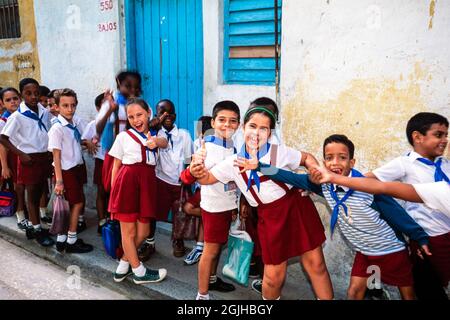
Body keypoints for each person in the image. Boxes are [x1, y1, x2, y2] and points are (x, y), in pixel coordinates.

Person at [243, 134, 431, 299]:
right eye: (329, 158)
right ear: (324, 162)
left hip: (390, 250)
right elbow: (287, 176)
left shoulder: (367, 187)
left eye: (342, 158)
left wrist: (419, 237)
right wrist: (259, 165)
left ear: (352, 162)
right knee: (354, 292)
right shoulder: (324, 185)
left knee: (407, 293)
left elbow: (397, 215)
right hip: (364, 252)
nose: (335, 163)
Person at [190, 106, 333, 300]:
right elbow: (207, 179)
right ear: (243, 127)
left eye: (264, 128)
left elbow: (306, 157)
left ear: (270, 132)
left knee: (316, 265)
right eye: (252, 126)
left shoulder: (277, 152)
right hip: (270, 218)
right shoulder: (233, 162)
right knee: (273, 277)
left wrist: (315, 173)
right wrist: (196, 171)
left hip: (296, 209)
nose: (256, 133)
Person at [366, 112, 449, 299]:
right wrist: (327, 185)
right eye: (439, 135)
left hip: (448, 232)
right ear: (417, 137)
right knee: (430, 285)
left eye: (446, 135)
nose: (445, 140)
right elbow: (368, 180)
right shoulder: (404, 164)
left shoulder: (445, 164)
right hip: (428, 237)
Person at [108, 98, 168, 284]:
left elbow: (164, 142)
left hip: (147, 184)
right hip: (127, 184)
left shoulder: (153, 136)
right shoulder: (123, 137)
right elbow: (116, 166)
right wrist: (114, 193)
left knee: (144, 230)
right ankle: (139, 272)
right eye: (131, 117)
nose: (136, 120)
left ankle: (124, 265)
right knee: (129, 232)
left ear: (148, 113)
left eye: (139, 115)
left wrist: (155, 142)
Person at [191, 101, 241, 300]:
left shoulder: (232, 146)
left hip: (227, 204)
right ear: (213, 122)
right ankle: (202, 295)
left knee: (217, 247)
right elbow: (198, 174)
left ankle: (211, 279)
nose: (227, 125)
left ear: (238, 124)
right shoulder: (207, 147)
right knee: (210, 251)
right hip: (214, 207)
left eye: (232, 121)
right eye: (221, 120)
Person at [0, 78, 54, 246]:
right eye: (28, 93)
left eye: (36, 93)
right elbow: (3, 137)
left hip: (43, 157)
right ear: (22, 94)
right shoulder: (17, 116)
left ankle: (32, 225)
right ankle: (37, 230)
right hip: (29, 158)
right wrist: (21, 154)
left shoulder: (44, 111)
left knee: (41, 192)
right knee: (32, 194)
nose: (33, 97)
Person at [138, 99, 193, 260]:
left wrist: (188, 180)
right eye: (162, 112)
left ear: (175, 115)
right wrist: (155, 124)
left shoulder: (184, 134)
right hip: (160, 180)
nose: (166, 115)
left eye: (170, 112)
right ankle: (150, 242)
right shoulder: (153, 134)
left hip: (179, 182)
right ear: (155, 116)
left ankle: (178, 240)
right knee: (153, 214)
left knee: (179, 214)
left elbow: (189, 159)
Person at [48, 88, 95, 253]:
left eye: (73, 105)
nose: (70, 109)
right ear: (56, 107)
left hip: (77, 167)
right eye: (65, 105)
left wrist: (86, 143)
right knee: (77, 203)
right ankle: (71, 241)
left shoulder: (73, 123)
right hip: (66, 171)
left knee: (71, 203)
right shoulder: (57, 128)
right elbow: (56, 156)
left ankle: (62, 240)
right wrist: (59, 181)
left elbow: (73, 141)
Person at [0, 87, 28, 231]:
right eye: (8, 100)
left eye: (15, 98)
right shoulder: (3, 120)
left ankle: (27, 211)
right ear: (2, 103)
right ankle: (20, 215)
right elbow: (3, 146)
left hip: (26, 155)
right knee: (19, 186)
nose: (13, 102)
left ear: (20, 99)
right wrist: (5, 166)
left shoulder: (24, 115)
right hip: (13, 157)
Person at [81, 93, 107, 234]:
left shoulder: (119, 122)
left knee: (114, 193)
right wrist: (89, 143)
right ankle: (102, 220)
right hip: (102, 162)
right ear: (98, 109)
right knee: (101, 192)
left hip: (118, 162)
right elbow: (83, 140)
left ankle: (112, 220)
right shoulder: (94, 124)